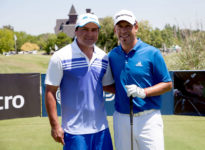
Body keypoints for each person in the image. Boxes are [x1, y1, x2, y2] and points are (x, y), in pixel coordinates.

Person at [45, 13, 114, 150]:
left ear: (98, 32)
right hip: (74, 133)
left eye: (94, 30)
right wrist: (55, 126)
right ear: (76, 31)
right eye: (85, 29)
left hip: (101, 130)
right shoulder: (60, 57)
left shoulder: (103, 57)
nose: (90, 34)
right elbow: (50, 92)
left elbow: (107, 86)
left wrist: (138, 89)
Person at [108, 9, 173, 150]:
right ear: (115, 30)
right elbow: (108, 84)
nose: (123, 31)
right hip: (121, 118)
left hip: (148, 118)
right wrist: (120, 91)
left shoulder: (152, 53)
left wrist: (143, 92)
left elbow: (167, 84)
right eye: (120, 27)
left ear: (136, 27)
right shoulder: (112, 56)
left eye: (128, 26)